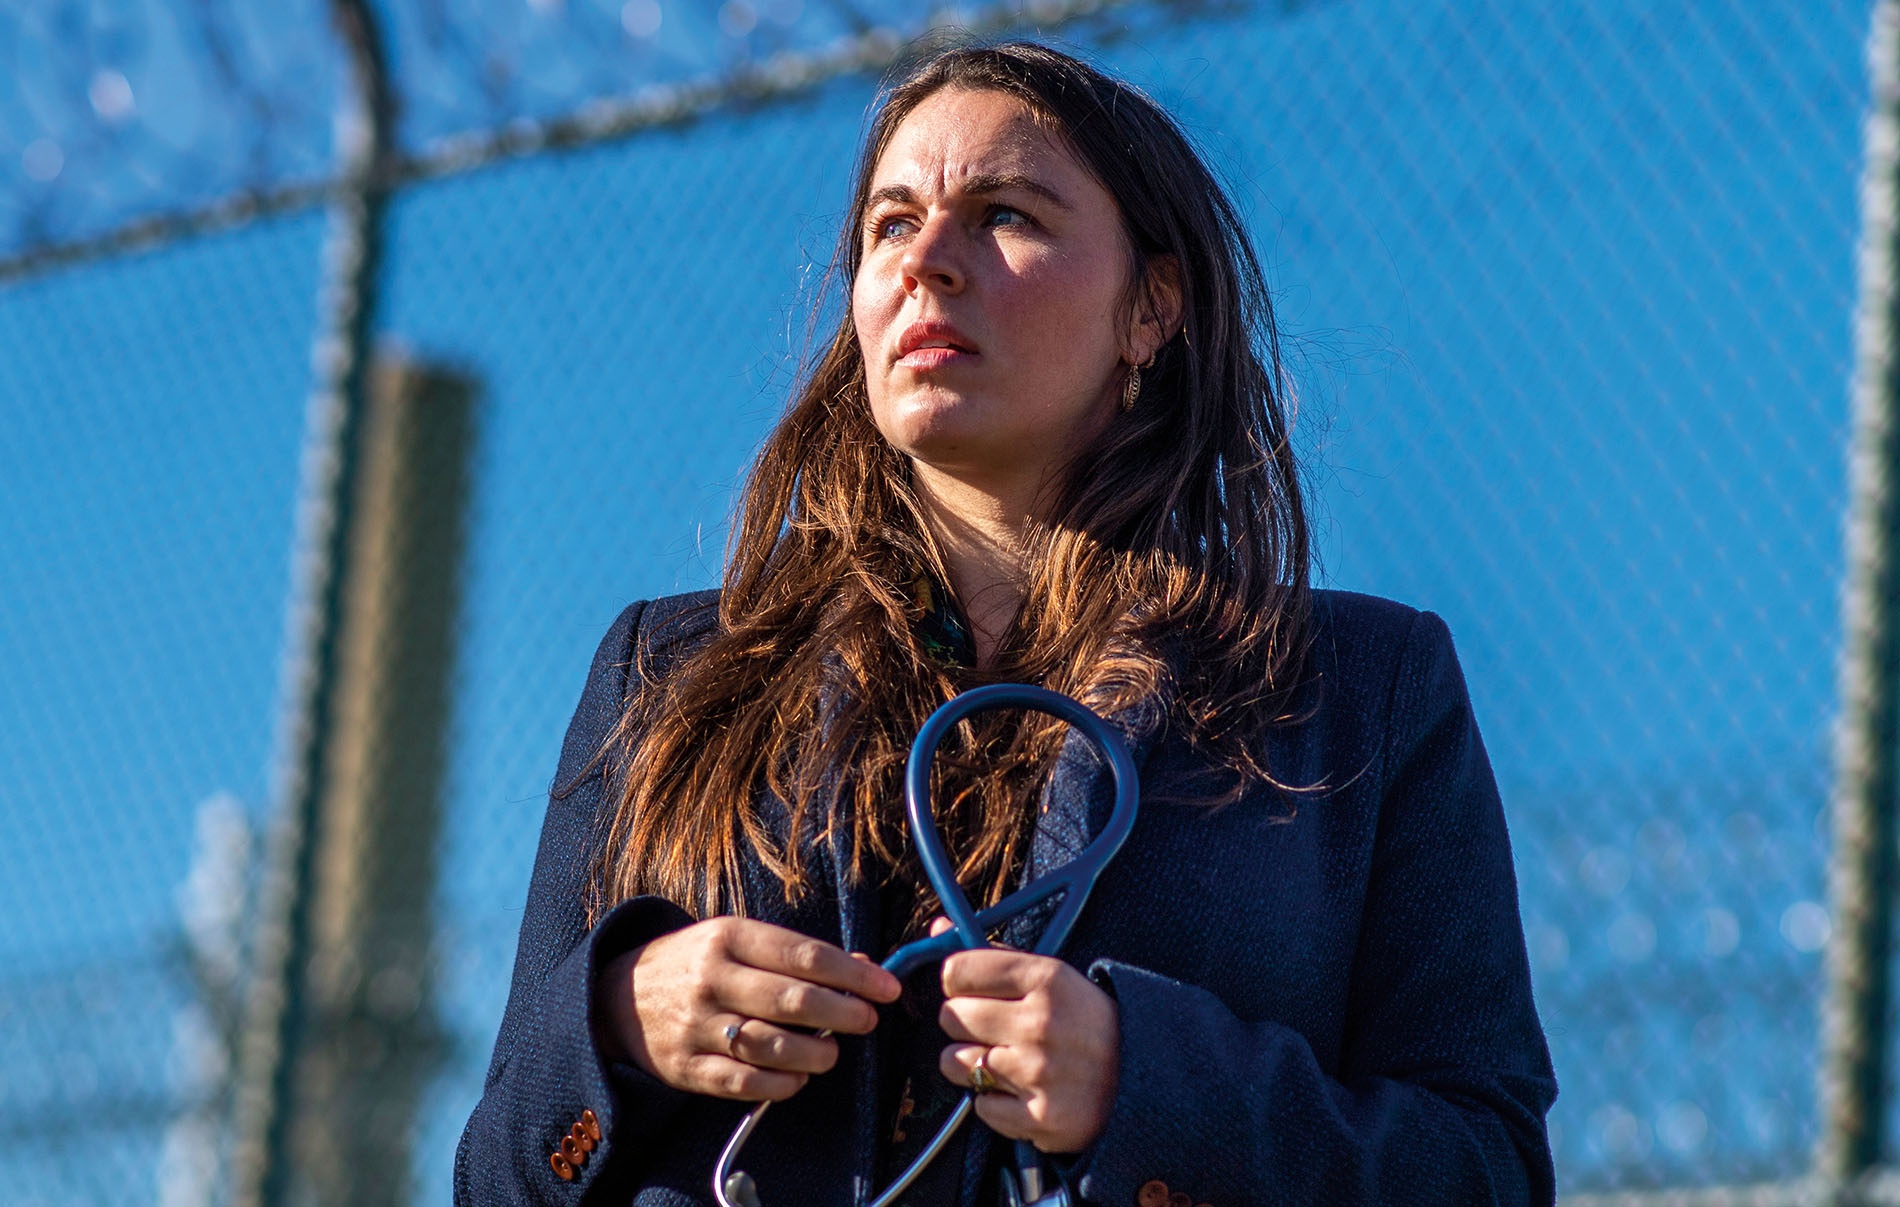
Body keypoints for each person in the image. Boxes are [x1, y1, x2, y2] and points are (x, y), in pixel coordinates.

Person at [456, 40, 1557, 1207]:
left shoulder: (1358, 692)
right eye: (890, 225)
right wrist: (619, 1021)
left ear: (1151, 308)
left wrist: (1151, 1087)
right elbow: (491, 1176)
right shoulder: (664, 672)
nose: (926, 261)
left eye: (1004, 215)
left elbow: (1482, 1167)